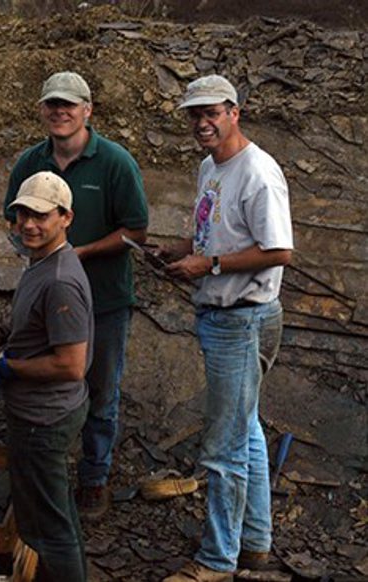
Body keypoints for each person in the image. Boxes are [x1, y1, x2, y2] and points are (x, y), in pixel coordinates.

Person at [158, 75, 293, 582]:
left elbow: (279, 250)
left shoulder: (258, 171)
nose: (201, 123)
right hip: (222, 314)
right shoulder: (209, 168)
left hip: (244, 317)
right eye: (194, 115)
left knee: (225, 445)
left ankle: (216, 562)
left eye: (211, 112)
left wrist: (208, 265)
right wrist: (179, 251)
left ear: (235, 111)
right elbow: (214, 230)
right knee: (247, 430)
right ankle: (254, 543)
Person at [3, 71, 149, 518]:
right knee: (48, 381)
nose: (60, 112)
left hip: (103, 299)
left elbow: (136, 230)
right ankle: (48, 472)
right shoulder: (31, 162)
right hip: (47, 298)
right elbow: (13, 218)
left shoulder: (114, 162)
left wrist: (76, 252)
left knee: (100, 389)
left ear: (87, 110)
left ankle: (93, 478)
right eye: (52, 104)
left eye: (69, 105)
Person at [0, 171, 93, 582]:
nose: (29, 225)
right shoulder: (41, 262)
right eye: (22, 214)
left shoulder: (60, 280)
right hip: (40, 415)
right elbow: (37, 328)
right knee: (54, 511)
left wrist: (3, 369)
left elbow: (71, 365)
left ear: (66, 217)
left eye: (41, 216)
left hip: (44, 419)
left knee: (47, 528)